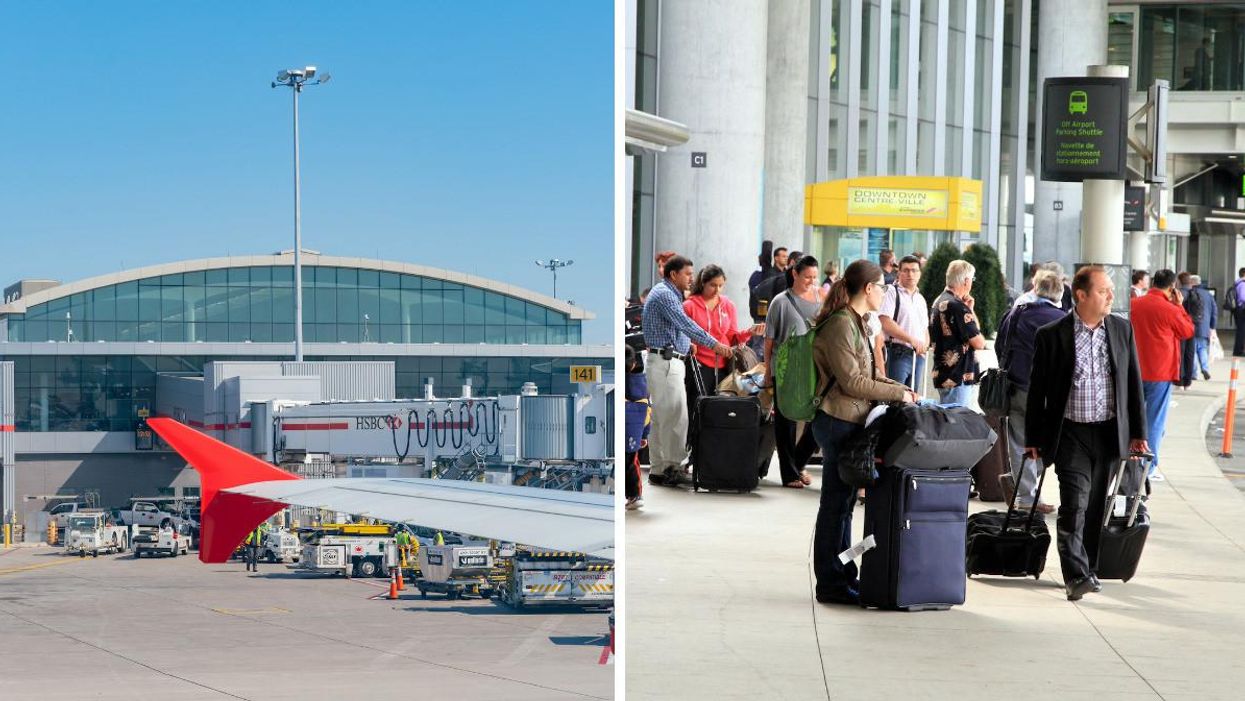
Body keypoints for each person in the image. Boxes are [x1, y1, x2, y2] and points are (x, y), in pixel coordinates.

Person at [1025, 265, 1148, 601]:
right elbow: (1037, 392)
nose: (1110, 296)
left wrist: (1138, 431)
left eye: (1110, 290)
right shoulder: (1052, 335)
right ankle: (1075, 576)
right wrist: (1033, 438)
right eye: (1103, 290)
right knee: (1074, 503)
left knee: (1095, 507)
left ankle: (1089, 568)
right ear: (1081, 295)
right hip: (1070, 433)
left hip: (1109, 433)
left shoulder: (1121, 330)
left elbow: (1132, 382)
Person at [809, 259, 917, 605]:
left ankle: (844, 575)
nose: (885, 292)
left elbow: (869, 373)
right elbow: (852, 382)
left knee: (843, 508)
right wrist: (897, 393)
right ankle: (830, 582)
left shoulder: (857, 322)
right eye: (883, 286)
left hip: (851, 421)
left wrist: (903, 389)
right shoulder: (840, 325)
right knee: (834, 507)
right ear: (868, 289)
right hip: (837, 421)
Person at [642, 255, 732, 486]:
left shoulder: (668, 293)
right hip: (666, 363)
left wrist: (685, 344)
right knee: (676, 416)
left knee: (662, 418)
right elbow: (685, 323)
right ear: (674, 274)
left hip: (666, 360)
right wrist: (716, 345)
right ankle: (672, 467)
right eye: (688, 274)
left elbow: (673, 327)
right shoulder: (665, 294)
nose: (692, 278)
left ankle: (659, 469)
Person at [995, 270, 1067, 514]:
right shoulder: (1061, 319)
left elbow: (1000, 345)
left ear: (1036, 289)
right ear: (1060, 293)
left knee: (1018, 442)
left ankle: (1024, 492)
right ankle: (1024, 487)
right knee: (1047, 441)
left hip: (1016, 386)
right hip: (1047, 393)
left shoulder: (1016, 313)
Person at [764, 255, 825, 488]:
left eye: (814, 277)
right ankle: (789, 474)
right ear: (795, 274)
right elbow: (769, 340)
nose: (811, 281)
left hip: (815, 369)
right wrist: (768, 370)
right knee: (786, 420)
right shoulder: (780, 302)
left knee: (819, 417)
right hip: (786, 369)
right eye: (807, 276)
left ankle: (798, 463)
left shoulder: (822, 298)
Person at [1130, 269, 1194, 481]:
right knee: (1154, 422)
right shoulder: (1170, 308)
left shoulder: (1134, 304)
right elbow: (1187, 331)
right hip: (1160, 372)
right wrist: (1179, 305)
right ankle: (1148, 468)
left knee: (1133, 419)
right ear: (1172, 287)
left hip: (1134, 370)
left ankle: (1130, 463)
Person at [683, 265, 765, 409]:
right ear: (703, 283)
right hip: (698, 365)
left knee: (722, 411)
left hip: (725, 366)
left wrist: (749, 333)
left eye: (721, 286)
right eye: (713, 285)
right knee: (697, 408)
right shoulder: (689, 306)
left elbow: (733, 337)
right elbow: (684, 336)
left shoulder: (728, 305)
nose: (717, 290)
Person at [929, 259, 986, 406]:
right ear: (966, 281)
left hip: (945, 374)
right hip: (958, 376)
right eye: (972, 279)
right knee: (957, 424)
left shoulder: (940, 301)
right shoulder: (957, 306)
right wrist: (968, 310)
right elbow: (979, 342)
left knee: (948, 421)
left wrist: (970, 309)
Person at [879, 255, 929, 388]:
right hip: (897, 353)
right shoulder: (891, 292)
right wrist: (911, 340)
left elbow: (924, 329)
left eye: (914, 270)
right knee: (895, 399)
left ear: (920, 274)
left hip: (918, 357)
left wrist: (925, 346)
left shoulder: (921, 299)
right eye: (906, 270)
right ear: (899, 273)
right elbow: (885, 321)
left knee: (912, 403)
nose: (910, 274)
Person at [624, 345, 651, 510]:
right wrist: (645, 435)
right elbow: (648, 413)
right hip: (635, 432)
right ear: (633, 363)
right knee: (631, 463)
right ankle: (635, 495)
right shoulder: (641, 383)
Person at [1176, 272, 1201, 388]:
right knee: (1190, 354)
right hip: (1192, 327)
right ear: (1190, 282)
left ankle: (1180, 380)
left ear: (1179, 281)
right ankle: (1188, 382)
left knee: (1180, 353)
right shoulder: (1195, 293)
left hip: (1180, 328)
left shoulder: (1179, 294)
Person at [1190, 275, 1216, 380]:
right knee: (1202, 348)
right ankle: (1205, 368)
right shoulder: (1208, 295)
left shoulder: (1190, 293)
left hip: (1191, 325)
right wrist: (1212, 327)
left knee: (1192, 350)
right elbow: (1214, 311)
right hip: (1204, 326)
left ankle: (1193, 373)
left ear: (1192, 283)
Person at [1229, 267, 1245, 357]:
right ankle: (1239, 351)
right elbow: (1243, 297)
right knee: (1241, 331)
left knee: (1240, 330)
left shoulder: (1237, 283)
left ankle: (1238, 350)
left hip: (1238, 310)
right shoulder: (1242, 284)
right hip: (1242, 309)